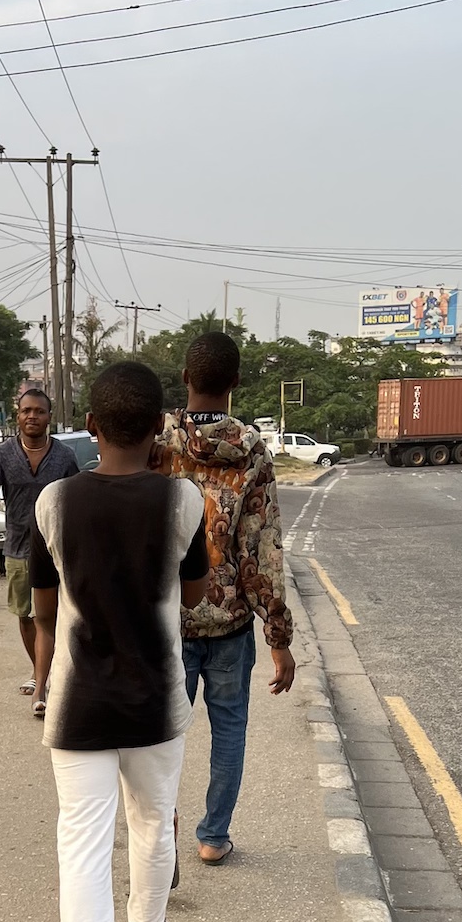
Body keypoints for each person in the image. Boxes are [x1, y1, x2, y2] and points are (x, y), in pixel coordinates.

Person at [30, 362, 208, 922]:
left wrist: (43, 674)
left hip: (77, 707)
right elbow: (193, 597)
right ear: (159, 426)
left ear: (91, 426)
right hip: (158, 702)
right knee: (151, 823)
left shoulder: (53, 504)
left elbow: (43, 607)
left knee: (82, 845)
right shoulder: (183, 501)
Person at [159, 331, 294, 867]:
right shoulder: (252, 449)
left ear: (186, 377)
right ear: (235, 382)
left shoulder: (158, 440)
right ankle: (213, 836)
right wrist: (279, 637)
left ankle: (160, 831)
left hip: (166, 620)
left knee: (163, 735)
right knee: (229, 729)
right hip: (231, 624)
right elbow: (262, 548)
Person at [0, 387, 81, 709]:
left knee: (56, 615)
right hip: (18, 549)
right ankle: (39, 674)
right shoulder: (3, 455)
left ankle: (49, 678)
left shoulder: (64, 457)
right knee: (25, 614)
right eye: (26, 411)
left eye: (39, 411)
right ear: (17, 416)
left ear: (49, 417)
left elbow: (76, 502)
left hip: (58, 550)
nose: (32, 416)